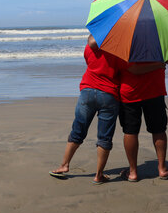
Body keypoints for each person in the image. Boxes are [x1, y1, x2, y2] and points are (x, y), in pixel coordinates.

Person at [49, 35, 126, 184]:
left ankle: (64, 165)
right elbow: (123, 71)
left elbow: (89, 61)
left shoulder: (89, 47)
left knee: (78, 129)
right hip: (109, 94)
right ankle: (98, 175)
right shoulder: (119, 49)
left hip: (88, 91)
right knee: (104, 137)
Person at [119, 56, 168, 182]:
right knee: (158, 129)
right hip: (154, 89)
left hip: (131, 91)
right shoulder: (160, 38)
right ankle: (162, 168)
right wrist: (159, 64)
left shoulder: (127, 39)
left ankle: (133, 172)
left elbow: (132, 68)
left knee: (130, 131)